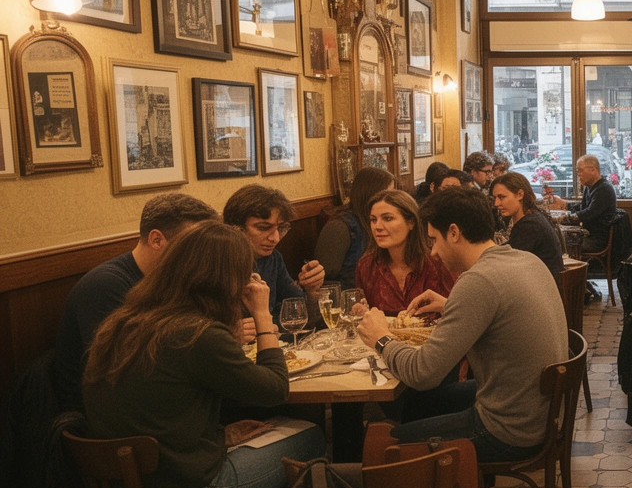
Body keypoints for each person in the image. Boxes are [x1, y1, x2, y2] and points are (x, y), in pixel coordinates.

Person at [82, 221, 326, 488]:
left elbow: (160, 412)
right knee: (310, 436)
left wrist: (222, 436)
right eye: (243, 272)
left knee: (271, 457)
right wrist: (262, 314)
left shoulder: (123, 321)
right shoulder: (196, 334)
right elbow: (274, 388)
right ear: (224, 279)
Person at [356, 187, 568, 462]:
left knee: (385, 446)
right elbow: (499, 311)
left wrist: (381, 338)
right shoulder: (524, 260)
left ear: (454, 233)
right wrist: (450, 304)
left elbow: (422, 373)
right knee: (422, 402)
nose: (432, 252)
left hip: (509, 431)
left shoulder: (478, 280)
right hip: (541, 413)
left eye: (433, 240)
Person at [49, 193, 217, 413]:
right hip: (109, 422)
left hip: (158, 404)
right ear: (157, 240)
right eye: (193, 246)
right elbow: (128, 374)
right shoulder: (106, 285)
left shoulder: (172, 280)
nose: (202, 256)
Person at [223, 185, 325, 324]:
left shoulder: (272, 258)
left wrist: (312, 291)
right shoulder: (217, 263)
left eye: (281, 228)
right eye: (264, 228)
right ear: (235, 228)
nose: (275, 238)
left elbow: (297, 314)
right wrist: (232, 332)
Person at [357, 189, 456, 316]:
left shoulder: (438, 263)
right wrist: (360, 312)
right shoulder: (366, 266)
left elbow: (457, 313)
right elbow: (364, 315)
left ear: (411, 222)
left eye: (387, 218)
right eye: (373, 220)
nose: (378, 226)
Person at [315, 167, 396, 289]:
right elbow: (324, 282)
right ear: (371, 194)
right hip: (349, 301)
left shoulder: (382, 223)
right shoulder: (339, 227)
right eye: (388, 195)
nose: (393, 201)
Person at [491, 171, 565, 274]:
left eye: (502, 197)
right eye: (494, 198)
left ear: (520, 194)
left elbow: (508, 261)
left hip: (543, 286)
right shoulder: (530, 216)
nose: (496, 203)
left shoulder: (530, 225)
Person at [548, 154, 619, 254]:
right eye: (578, 171)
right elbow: (583, 207)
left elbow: (589, 213)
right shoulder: (590, 187)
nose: (578, 174)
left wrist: (561, 217)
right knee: (555, 239)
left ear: (593, 170)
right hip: (588, 234)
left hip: (596, 240)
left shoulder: (604, 189)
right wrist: (565, 205)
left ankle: (568, 269)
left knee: (556, 243)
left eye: (581, 170)